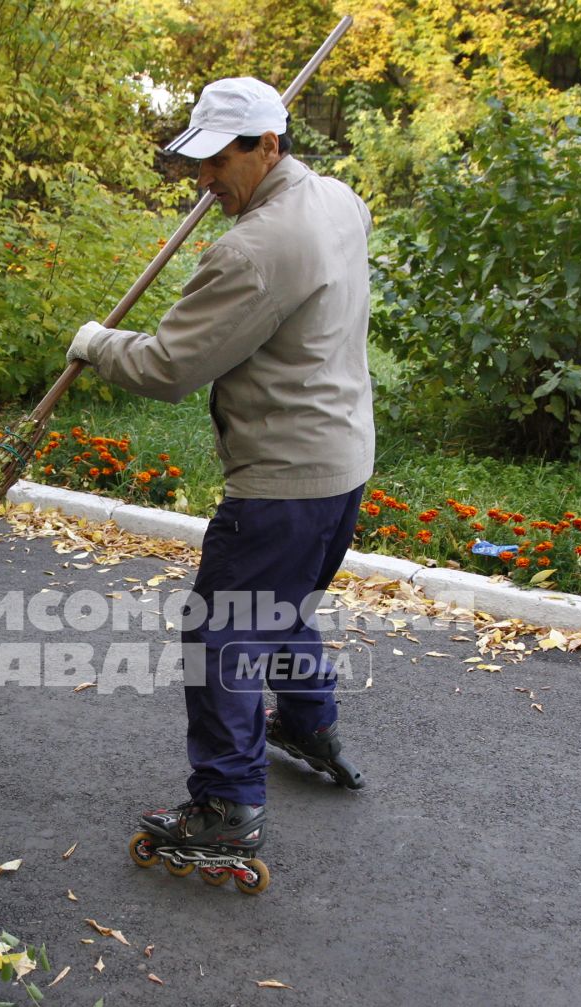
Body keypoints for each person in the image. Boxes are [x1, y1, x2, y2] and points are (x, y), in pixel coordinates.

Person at [67, 76, 373, 866]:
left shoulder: (255, 250)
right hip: (343, 464)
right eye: (199, 162)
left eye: (217, 162)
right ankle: (309, 725)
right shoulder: (338, 200)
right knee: (284, 604)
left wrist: (95, 342)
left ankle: (227, 804)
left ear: (268, 145)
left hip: (283, 479)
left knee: (222, 636)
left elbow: (169, 368)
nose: (205, 180)